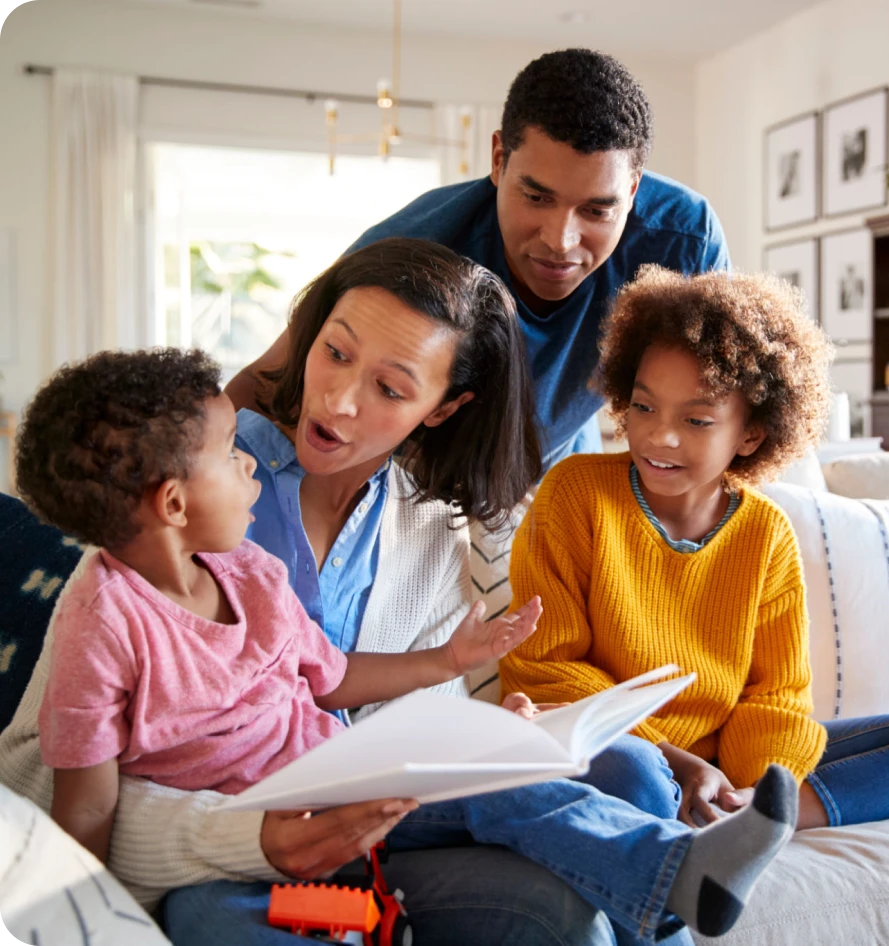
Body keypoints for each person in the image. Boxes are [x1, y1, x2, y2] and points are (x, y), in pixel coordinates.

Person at [0, 239, 677, 946]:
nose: (338, 400)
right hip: (214, 849)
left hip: (361, 813)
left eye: (391, 389)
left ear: (443, 407)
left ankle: (680, 881)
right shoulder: (165, 498)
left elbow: (373, 710)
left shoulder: (417, 532)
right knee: (218, 921)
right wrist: (246, 840)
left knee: (624, 777)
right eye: (335, 352)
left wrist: (482, 739)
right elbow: (58, 782)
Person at [500, 266, 889, 829]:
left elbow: (775, 693)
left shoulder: (766, 533)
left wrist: (754, 782)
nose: (659, 436)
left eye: (696, 419)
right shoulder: (574, 493)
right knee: (636, 777)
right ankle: (708, 810)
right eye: (644, 407)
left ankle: (749, 814)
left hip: (727, 759)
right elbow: (545, 666)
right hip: (620, 749)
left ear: (750, 435)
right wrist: (679, 764)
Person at [228, 48, 729, 466]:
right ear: (498, 159)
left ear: (634, 189)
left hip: (560, 463)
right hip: (421, 473)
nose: (561, 240)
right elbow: (263, 386)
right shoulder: (412, 245)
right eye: (536, 197)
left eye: (597, 210)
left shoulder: (684, 241)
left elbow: (717, 407)